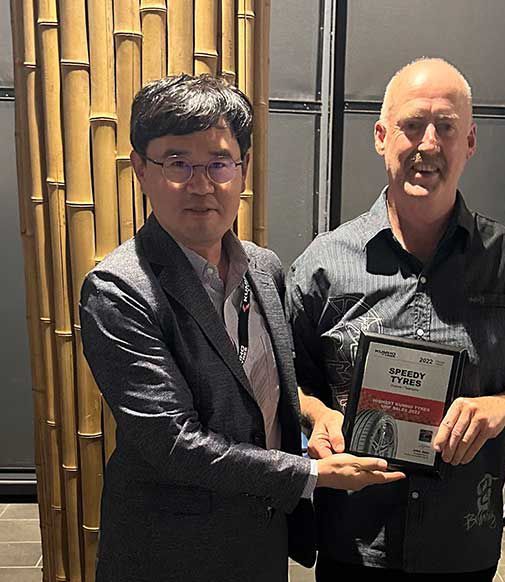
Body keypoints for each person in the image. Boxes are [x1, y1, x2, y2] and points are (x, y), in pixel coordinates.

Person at [79, 74, 404, 582]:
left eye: (219, 162)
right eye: (177, 162)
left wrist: (315, 415)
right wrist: (313, 474)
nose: (201, 184)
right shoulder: (118, 290)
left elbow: (265, 386)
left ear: (243, 169)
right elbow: (172, 444)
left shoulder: (264, 267)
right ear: (141, 169)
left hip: (260, 539)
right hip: (171, 552)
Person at [286, 58, 505, 580]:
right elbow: (290, 381)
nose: (428, 143)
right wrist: (318, 415)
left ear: (470, 142)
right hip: (354, 541)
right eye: (412, 124)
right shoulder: (322, 265)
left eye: (445, 127)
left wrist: (501, 408)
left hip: (462, 543)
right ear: (381, 137)